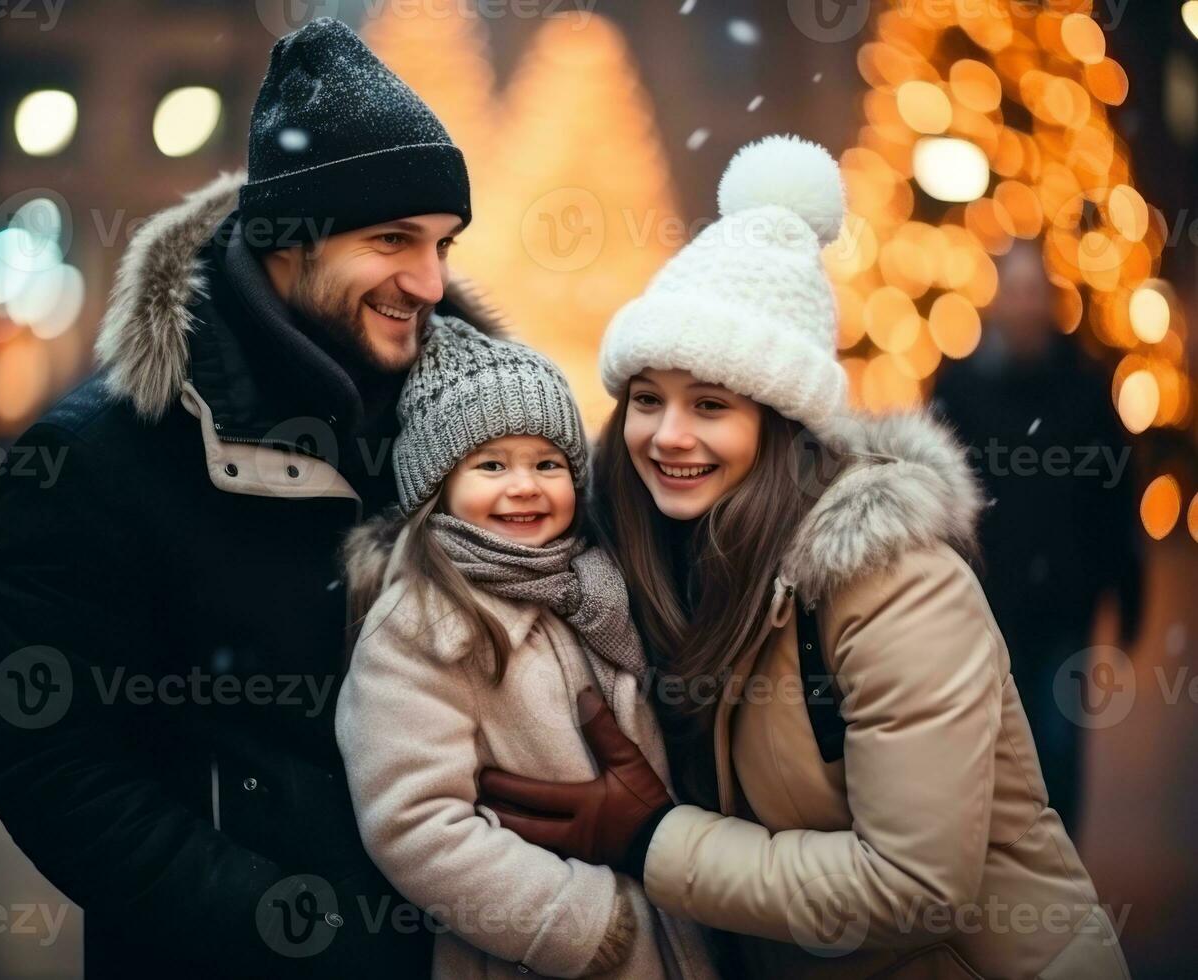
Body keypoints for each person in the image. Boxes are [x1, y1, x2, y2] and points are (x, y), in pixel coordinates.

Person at [477, 136, 1132, 978]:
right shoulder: (660, 560)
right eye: (647, 399)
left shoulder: (892, 586)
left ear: (778, 425)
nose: (667, 435)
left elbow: (913, 884)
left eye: (709, 403)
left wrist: (652, 840)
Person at [0, 19, 501, 978]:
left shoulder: (481, 434)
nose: (430, 282)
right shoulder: (98, 461)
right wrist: (306, 934)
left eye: (442, 243)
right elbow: (57, 775)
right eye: (392, 239)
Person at [335, 318, 716, 978]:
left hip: (672, 930)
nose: (524, 486)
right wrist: (575, 922)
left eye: (548, 464)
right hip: (549, 952)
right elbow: (414, 824)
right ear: (437, 487)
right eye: (490, 465)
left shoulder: (593, 585)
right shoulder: (421, 624)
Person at [933, 239, 1143, 841]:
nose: (1025, 305)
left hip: (1068, 604)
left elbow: (1115, 495)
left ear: (1049, 302)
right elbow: (938, 494)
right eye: (1014, 290)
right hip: (988, 607)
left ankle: (1061, 871)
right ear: (996, 301)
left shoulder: (1085, 387)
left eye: (1035, 291)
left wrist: (1126, 588)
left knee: (1057, 743)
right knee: (997, 747)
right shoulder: (960, 388)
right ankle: (1012, 877)